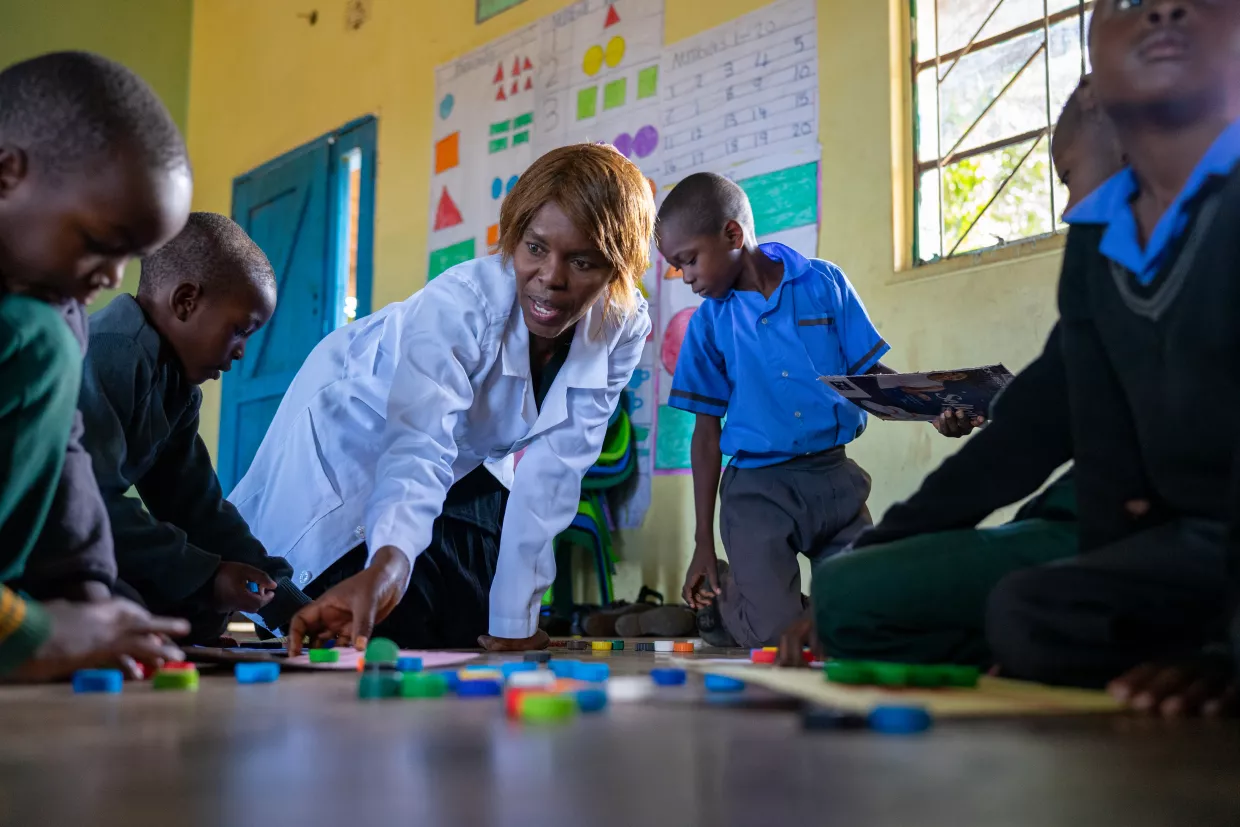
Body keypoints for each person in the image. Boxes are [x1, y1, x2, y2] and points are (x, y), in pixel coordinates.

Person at [231, 143, 653, 653]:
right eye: (535, 248)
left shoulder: (622, 327)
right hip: (355, 432)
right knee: (371, 629)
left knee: (471, 627)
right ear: (514, 238)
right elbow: (418, 447)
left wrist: (514, 627)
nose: (551, 278)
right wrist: (388, 565)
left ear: (618, 268)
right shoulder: (462, 305)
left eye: (583, 260)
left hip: (468, 457)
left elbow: (557, 469)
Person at [804, 77, 1124, 668]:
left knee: (861, 595)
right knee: (849, 587)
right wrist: (884, 543)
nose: (1068, 208)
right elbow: (1032, 428)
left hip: (1170, 542)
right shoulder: (1100, 257)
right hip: (1086, 515)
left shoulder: (1202, 234)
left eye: (1069, 176)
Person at [982, 0, 1240, 716]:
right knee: (1026, 610)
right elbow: (1082, 437)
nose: (1162, 11)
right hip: (1188, 538)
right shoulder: (1104, 259)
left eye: (1069, 178)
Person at [656, 172, 973, 650]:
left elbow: (869, 376)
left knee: (860, 616)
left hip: (835, 483)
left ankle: (797, 608)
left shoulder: (823, 282)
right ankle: (723, 603)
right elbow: (705, 435)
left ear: (732, 235)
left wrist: (933, 411)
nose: (686, 277)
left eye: (689, 261)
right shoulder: (708, 326)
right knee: (778, 638)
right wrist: (704, 541)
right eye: (678, 268)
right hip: (758, 493)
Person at [0, 51, 192, 679]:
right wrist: (31, 635)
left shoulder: (55, 301)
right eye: (99, 244)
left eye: (131, 256)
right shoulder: (35, 331)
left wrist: (87, 598)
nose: (113, 277)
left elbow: (65, 454)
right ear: (7, 175)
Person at [79, 212, 312, 645]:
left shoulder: (177, 388)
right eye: (240, 330)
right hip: (38, 540)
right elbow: (85, 504)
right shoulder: (112, 352)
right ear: (186, 301)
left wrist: (286, 600)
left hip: (83, 531)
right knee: (120, 607)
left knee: (200, 612)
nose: (242, 352)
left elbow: (196, 506)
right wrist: (206, 574)